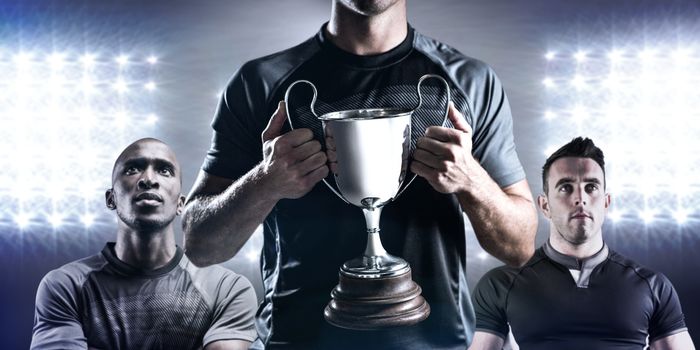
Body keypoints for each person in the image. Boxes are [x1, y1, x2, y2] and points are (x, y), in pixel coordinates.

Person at [182, 0, 537, 348]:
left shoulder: (469, 82)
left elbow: (520, 247)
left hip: (436, 341)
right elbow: (199, 245)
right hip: (299, 340)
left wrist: (470, 180)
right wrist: (264, 182)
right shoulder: (261, 82)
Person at [31, 138, 258, 350]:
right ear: (111, 199)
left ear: (181, 204)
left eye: (164, 170)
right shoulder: (65, 286)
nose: (149, 179)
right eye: (133, 169)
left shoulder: (227, 290)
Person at [470, 137, 695, 350]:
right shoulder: (500, 285)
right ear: (545, 205)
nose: (581, 198)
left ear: (606, 202)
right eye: (566, 187)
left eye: (591, 187)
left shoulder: (653, 286)